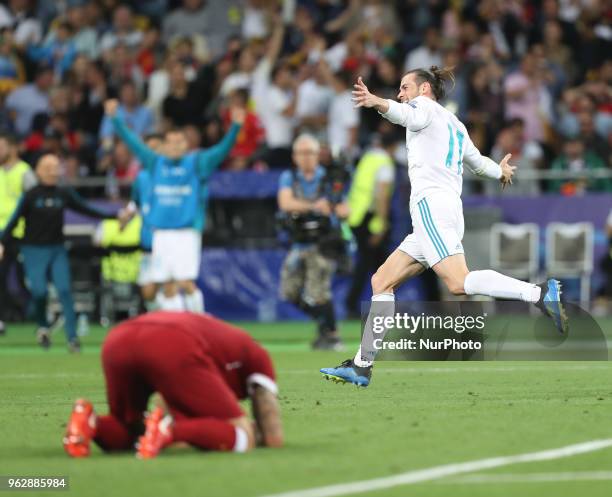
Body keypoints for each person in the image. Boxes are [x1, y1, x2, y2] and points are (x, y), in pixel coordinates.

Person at [321, 66, 568, 387]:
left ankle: (538, 293)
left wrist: (375, 101)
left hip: (431, 209)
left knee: (458, 282)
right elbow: (478, 162)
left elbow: (400, 113)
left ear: (424, 89)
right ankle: (361, 365)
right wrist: (500, 171)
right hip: (445, 211)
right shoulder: (455, 123)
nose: (401, 93)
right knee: (382, 280)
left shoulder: (421, 107)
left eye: (405, 87)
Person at [63, 311, 283, 458]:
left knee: (131, 430)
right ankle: (169, 431)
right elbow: (272, 433)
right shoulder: (257, 356)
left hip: (118, 339)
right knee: (243, 438)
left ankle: (91, 422)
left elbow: (164, 403)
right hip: (172, 343)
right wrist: (256, 433)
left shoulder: (224, 344)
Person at [106, 98, 244, 313]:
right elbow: (133, 142)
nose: (176, 146)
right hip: (161, 235)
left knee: (186, 283)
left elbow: (221, 150)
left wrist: (235, 127)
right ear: (165, 146)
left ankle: (198, 324)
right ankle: (175, 331)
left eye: (180, 142)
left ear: (186, 145)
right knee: (168, 286)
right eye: (171, 142)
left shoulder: (197, 163)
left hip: (186, 234)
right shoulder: (154, 163)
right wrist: (116, 119)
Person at [0, 154, 128, 352]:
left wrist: (114, 216)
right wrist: (1, 241)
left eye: (55, 166)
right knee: (39, 291)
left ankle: (72, 337)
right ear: (39, 171)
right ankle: (42, 327)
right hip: (33, 250)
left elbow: (87, 209)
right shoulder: (31, 195)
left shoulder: (63, 193)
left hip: (57, 249)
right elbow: (13, 221)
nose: (53, 170)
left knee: (65, 290)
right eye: (48, 167)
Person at [278, 134, 350, 350]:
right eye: (301, 153)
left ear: (318, 155)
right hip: (299, 242)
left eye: (310, 152)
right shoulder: (290, 176)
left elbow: (346, 210)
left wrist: (332, 208)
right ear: (294, 156)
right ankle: (325, 326)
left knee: (318, 293)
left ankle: (331, 334)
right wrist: (314, 206)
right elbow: (285, 203)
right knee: (289, 292)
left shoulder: (330, 178)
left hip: (322, 243)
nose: (306, 157)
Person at [344, 133, 396, 317]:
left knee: (373, 264)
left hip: (355, 216)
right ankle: (357, 305)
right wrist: (381, 225)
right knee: (376, 265)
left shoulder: (368, 158)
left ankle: (366, 305)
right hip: (370, 220)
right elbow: (381, 196)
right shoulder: (385, 165)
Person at [0, 132, 35, 334]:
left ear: (13, 148)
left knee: (26, 278)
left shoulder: (24, 172)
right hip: (0, 235)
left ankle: (38, 314)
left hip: (20, 234)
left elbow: (34, 203)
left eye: (1, 146)